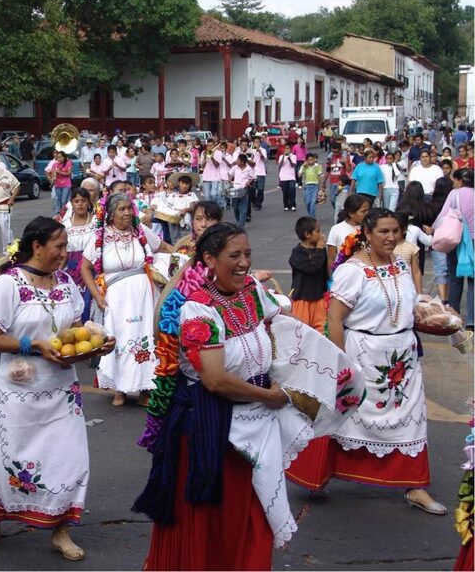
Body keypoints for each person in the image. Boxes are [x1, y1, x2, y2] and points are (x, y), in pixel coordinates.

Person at [133, 223, 364, 570]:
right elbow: (215, 380)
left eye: (247, 254)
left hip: (254, 418)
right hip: (212, 425)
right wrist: (271, 397)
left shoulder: (251, 291)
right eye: (234, 256)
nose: (244, 263)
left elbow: (282, 316)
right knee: (218, 516)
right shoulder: (198, 311)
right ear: (209, 259)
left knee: (250, 511)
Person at [0, 217, 115, 559]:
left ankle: (61, 530)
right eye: (58, 246)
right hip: (14, 389)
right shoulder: (7, 286)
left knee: (68, 460)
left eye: (66, 245)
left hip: (60, 391)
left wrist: (95, 343)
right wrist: (36, 346)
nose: (64, 253)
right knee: (2, 456)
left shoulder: (67, 283)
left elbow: (71, 331)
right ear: (37, 246)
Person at [286, 209, 446, 515]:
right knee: (341, 417)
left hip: (403, 357)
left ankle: (415, 487)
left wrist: (434, 315)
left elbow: (407, 306)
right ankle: (317, 475)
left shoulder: (400, 265)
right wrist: (342, 363)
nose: (391, 237)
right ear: (367, 234)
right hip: (364, 353)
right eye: (383, 231)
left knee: (410, 423)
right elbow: (335, 319)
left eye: (396, 231)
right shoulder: (353, 271)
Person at [81, 192, 170, 407]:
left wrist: (183, 254)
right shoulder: (100, 237)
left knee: (146, 337)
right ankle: (119, 388)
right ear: (111, 214)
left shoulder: (140, 231)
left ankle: (145, 389)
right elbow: (85, 268)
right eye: (122, 209)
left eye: (129, 208)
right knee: (119, 339)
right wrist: (97, 295)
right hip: (116, 298)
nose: (128, 213)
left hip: (144, 295)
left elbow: (164, 248)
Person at [433, 168, 474, 329]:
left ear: (460, 180)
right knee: (473, 282)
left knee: (455, 280)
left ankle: (454, 315)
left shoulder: (454, 194)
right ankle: (472, 320)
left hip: (456, 241)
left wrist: (433, 231)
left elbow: (443, 217)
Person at [290, 217, 329, 333]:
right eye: (317, 231)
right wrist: (320, 249)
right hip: (302, 299)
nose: (320, 235)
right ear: (307, 234)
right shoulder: (297, 253)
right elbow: (312, 267)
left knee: (322, 331)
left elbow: (323, 272)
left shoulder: (320, 250)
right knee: (302, 332)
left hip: (319, 298)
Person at [63, 188, 95, 322]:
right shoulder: (66, 224)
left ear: (89, 203)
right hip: (71, 269)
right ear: (72, 203)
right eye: (77, 201)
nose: (80, 204)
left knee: (90, 303)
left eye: (83, 201)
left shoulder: (96, 222)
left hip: (92, 268)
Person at [326, 194, 370, 274]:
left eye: (368, 210)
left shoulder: (371, 228)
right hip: (344, 273)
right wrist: (332, 280)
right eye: (363, 211)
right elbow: (331, 258)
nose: (367, 214)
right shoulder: (336, 229)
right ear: (351, 214)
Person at [227, 153, 255, 228]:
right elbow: (229, 174)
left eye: (238, 160)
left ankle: (240, 225)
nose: (237, 161)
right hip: (235, 188)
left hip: (243, 189)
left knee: (243, 207)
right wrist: (229, 179)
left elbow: (254, 177)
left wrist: (248, 182)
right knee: (235, 207)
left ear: (242, 162)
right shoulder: (235, 167)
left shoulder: (248, 169)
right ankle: (239, 221)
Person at [323, 144, 352, 210]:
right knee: (332, 200)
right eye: (333, 152)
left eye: (336, 152)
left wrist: (345, 163)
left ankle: (340, 213)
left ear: (340, 151)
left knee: (343, 201)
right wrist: (324, 182)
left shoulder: (344, 158)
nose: (334, 153)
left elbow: (349, 170)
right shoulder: (330, 158)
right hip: (333, 182)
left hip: (342, 183)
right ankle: (337, 211)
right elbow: (327, 171)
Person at [48, 151, 73, 216]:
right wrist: (53, 176)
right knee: (59, 201)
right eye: (58, 157)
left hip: (66, 185)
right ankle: (62, 214)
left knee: (63, 201)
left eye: (60, 157)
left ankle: (65, 214)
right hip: (57, 185)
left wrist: (60, 172)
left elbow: (69, 173)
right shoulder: (55, 164)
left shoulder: (68, 163)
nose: (58, 159)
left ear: (64, 157)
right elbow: (52, 173)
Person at [301, 152, 322, 217]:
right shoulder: (305, 166)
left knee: (313, 202)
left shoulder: (317, 166)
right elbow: (299, 175)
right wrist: (303, 166)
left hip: (315, 186)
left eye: (312, 159)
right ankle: (311, 214)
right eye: (309, 160)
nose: (311, 161)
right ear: (306, 161)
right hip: (307, 186)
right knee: (307, 202)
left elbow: (319, 177)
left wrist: (320, 188)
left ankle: (312, 218)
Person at [278, 144, 298, 211]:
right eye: (286, 148)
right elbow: (280, 165)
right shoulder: (281, 156)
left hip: (291, 176)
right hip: (283, 176)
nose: (287, 150)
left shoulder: (293, 156)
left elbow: (293, 165)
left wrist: (289, 158)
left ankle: (293, 205)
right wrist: (284, 156)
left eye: (288, 148)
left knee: (292, 190)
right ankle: (286, 205)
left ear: (290, 149)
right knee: (285, 191)